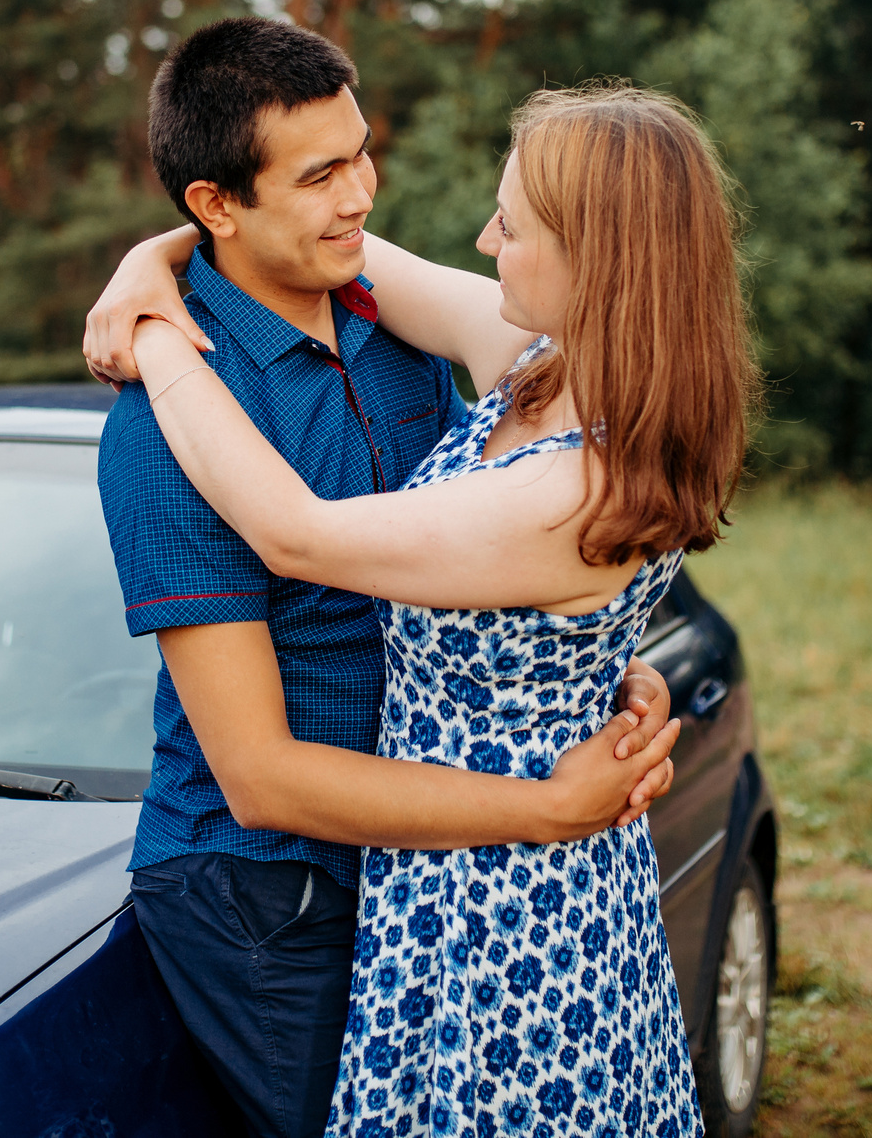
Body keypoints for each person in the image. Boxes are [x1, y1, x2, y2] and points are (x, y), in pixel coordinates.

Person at [97, 76, 752, 1137]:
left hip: (508, 914)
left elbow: (294, 534)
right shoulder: (538, 370)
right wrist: (154, 262)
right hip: (453, 876)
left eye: (517, 225)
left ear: (598, 263)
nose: (487, 239)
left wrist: (161, 343)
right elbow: (325, 246)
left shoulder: (569, 485)